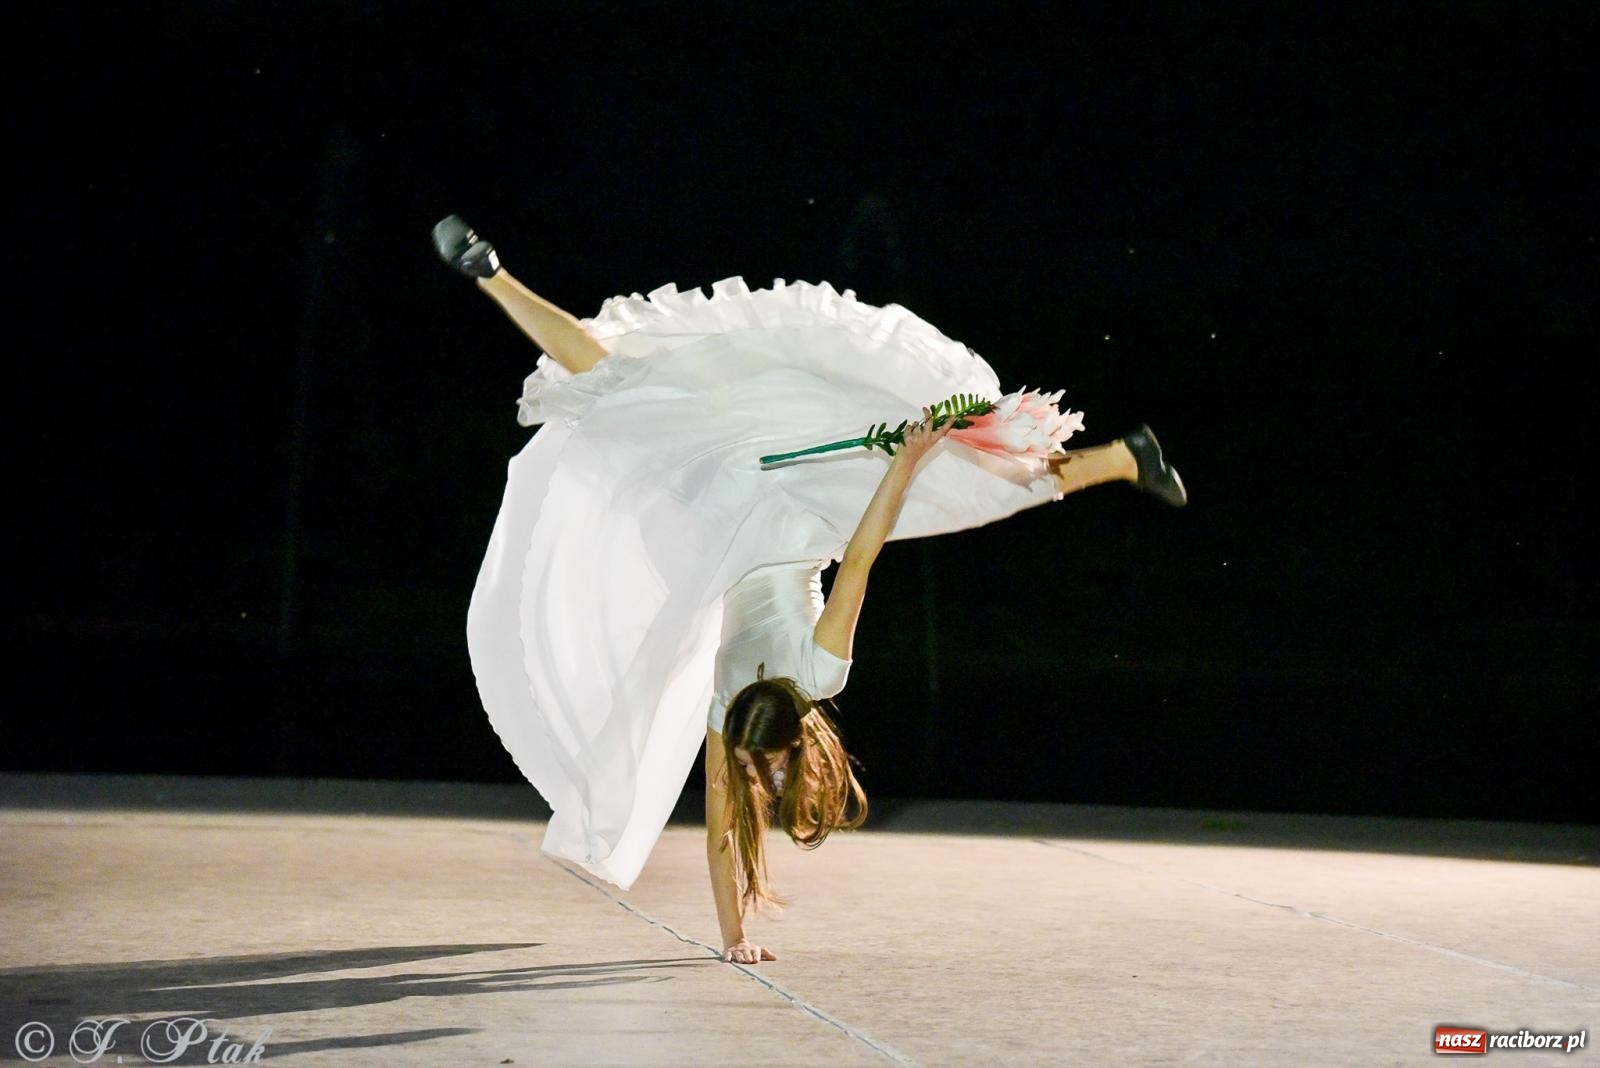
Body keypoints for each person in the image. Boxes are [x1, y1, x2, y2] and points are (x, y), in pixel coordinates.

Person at [437, 214, 1186, 966]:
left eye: (757, 769)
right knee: (625, 394)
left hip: (788, 513)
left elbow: (859, 558)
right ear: (784, 734)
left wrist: (906, 462)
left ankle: (1122, 458)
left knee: (969, 487)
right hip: (735, 512)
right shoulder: (747, 699)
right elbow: (726, 824)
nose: (758, 776)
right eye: (768, 768)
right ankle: (491, 274)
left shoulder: (810, 678)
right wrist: (733, 937)